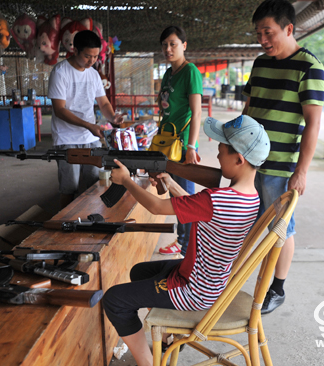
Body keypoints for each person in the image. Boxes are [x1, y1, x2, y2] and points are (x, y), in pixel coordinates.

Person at [103, 115, 270, 366]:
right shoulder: (247, 197)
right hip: (211, 280)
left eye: (221, 151)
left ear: (239, 159)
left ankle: (148, 363)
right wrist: (170, 182)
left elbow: (157, 207)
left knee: (114, 300)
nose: (217, 155)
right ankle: (169, 339)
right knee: (141, 271)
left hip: (195, 290)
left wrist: (126, 180)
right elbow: (199, 209)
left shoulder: (216, 199)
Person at [242, 0, 324, 314]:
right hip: (249, 161)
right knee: (249, 219)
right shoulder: (261, 64)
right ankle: (238, 278)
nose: (263, 40)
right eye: (259, 33)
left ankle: (277, 288)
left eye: (269, 32)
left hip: (281, 164)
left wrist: (301, 171)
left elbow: (313, 123)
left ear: (289, 28)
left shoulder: (310, 67)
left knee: (281, 226)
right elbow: (248, 110)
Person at [48, 30, 124, 209]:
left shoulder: (93, 74)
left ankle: (92, 217)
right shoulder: (60, 72)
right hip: (67, 139)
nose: (92, 61)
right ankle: (63, 226)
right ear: (75, 51)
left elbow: (103, 102)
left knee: (96, 182)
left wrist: (113, 116)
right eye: (87, 56)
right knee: (69, 187)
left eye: (96, 56)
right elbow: (59, 110)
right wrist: (88, 125)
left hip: (91, 138)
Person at [155, 25, 203, 257]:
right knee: (175, 194)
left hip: (182, 145)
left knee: (186, 197)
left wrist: (191, 146)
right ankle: (183, 241)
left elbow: (197, 112)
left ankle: (189, 247)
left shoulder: (190, 71)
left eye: (173, 44)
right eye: (164, 45)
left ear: (184, 45)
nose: (168, 49)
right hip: (166, 143)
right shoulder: (167, 74)